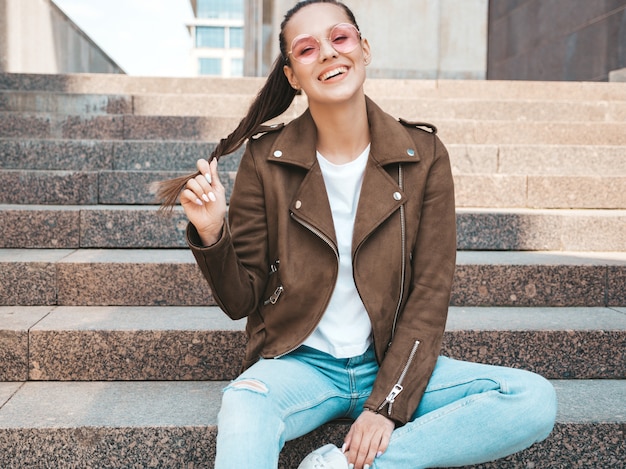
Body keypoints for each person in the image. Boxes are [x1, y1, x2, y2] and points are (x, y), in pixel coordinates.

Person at [157, 1, 557, 468]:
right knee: (244, 404)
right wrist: (211, 234)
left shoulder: (422, 155)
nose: (328, 53)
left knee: (530, 397)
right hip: (298, 365)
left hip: (387, 362)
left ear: (363, 49)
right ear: (292, 75)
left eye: (340, 38)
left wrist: (387, 403)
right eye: (307, 49)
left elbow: (430, 291)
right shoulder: (266, 159)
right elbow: (241, 300)